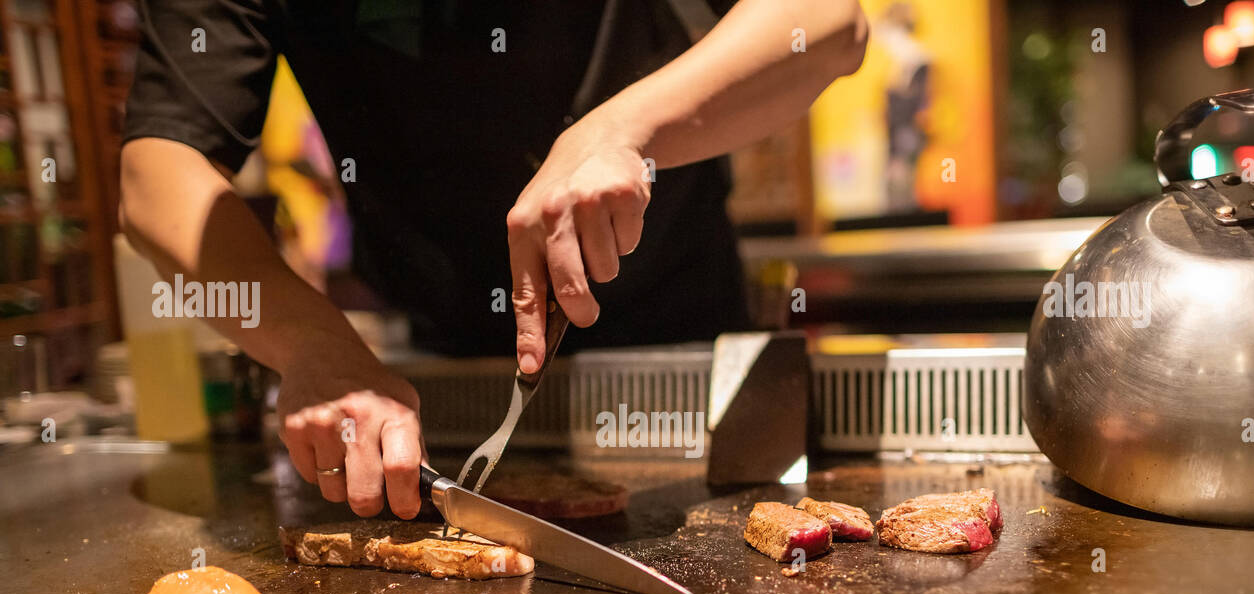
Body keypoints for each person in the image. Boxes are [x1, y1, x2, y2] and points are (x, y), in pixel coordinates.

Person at [119, 0, 869, 519]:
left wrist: (622, 130)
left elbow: (830, 24)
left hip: (685, 352)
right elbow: (157, 174)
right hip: (427, 383)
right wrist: (312, 347)